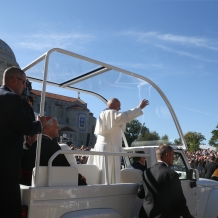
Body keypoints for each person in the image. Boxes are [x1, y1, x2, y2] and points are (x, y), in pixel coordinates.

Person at [0, 66, 46, 218]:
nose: (25, 86)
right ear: (14, 80)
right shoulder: (11, 98)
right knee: (9, 206)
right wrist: (40, 124)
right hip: (6, 163)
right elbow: (24, 126)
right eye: (24, 82)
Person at [90, 98, 149, 184]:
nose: (120, 109)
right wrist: (139, 108)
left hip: (105, 147)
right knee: (109, 175)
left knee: (103, 173)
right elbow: (125, 116)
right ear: (111, 105)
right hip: (110, 148)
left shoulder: (104, 114)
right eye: (118, 106)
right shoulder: (109, 113)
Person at [138, 144, 193, 218]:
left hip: (146, 214)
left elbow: (140, 194)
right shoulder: (171, 174)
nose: (173, 159)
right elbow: (179, 200)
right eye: (173, 155)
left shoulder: (146, 172)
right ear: (167, 155)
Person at [28, 116, 87, 185]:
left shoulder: (34, 144)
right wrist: (79, 177)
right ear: (48, 128)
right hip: (49, 183)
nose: (59, 128)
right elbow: (66, 168)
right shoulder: (52, 146)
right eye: (56, 126)